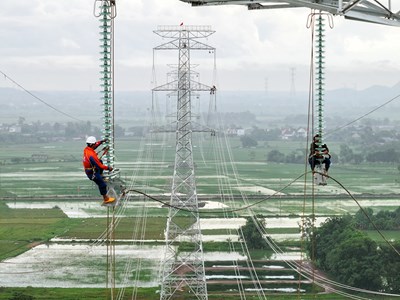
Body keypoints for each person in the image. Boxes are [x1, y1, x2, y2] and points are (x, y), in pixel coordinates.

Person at [83, 136, 115, 204]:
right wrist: (109, 168)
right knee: (102, 184)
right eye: (94, 144)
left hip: (91, 170)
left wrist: (101, 141)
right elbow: (100, 166)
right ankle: (106, 199)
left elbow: (95, 145)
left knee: (100, 161)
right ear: (91, 144)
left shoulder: (87, 149)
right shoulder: (91, 155)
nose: (95, 145)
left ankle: (100, 175)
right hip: (92, 173)